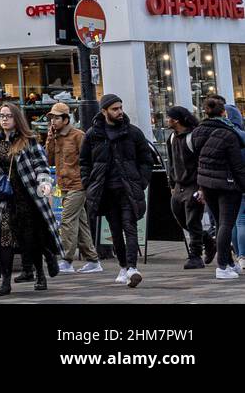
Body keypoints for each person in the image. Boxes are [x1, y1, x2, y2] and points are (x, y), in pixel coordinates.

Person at [0, 102, 62, 295]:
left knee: (30, 238)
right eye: (2, 116)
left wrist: (44, 184)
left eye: (8, 116)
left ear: (16, 118)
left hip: (28, 196)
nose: (4, 119)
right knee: (5, 239)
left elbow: (41, 165)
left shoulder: (29, 140)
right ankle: (5, 282)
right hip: (4, 198)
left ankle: (40, 275)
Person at [80, 93, 157, 287]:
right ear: (104, 111)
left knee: (129, 226)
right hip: (105, 190)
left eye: (121, 107)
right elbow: (84, 162)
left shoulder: (133, 132)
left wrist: (141, 182)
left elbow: (146, 159)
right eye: (115, 109)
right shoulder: (93, 134)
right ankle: (123, 266)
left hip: (127, 188)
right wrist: (89, 184)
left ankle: (132, 267)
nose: (120, 112)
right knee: (114, 230)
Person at [190, 95, 245, 280]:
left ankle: (229, 263)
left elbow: (197, 159)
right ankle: (222, 266)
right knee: (226, 224)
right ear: (224, 113)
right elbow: (237, 166)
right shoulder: (229, 134)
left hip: (206, 183)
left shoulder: (197, 131)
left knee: (220, 222)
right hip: (227, 184)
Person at [46, 102, 103, 274]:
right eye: (51, 118)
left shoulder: (78, 136)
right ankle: (93, 261)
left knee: (67, 219)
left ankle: (66, 259)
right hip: (63, 184)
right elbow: (48, 160)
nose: (53, 121)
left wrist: (88, 181)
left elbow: (88, 160)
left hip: (78, 184)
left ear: (66, 119)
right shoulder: (55, 137)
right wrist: (49, 139)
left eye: (56, 118)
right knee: (81, 223)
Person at [166, 107, 213, 269]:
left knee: (193, 220)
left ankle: (195, 256)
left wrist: (202, 188)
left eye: (169, 118)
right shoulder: (171, 137)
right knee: (180, 217)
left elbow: (202, 162)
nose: (167, 120)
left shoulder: (193, 137)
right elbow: (171, 162)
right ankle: (208, 240)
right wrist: (172, 184)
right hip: (179, 185)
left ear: (176, 120)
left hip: (193, 184)